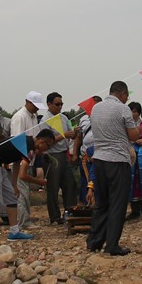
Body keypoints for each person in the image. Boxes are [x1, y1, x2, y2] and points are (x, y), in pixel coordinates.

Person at [0, 129, 55, 247]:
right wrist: (39, 182)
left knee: (12, 198)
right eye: (48, 145)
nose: (47, 149)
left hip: (0, 166)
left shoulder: (26, 143)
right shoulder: (28, 147)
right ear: (41, 141)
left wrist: (14, 185)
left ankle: (14, 231)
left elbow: (16, 164)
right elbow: (23, 175)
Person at [86, 81, 140, 256]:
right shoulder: (122, 109)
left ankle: (94, 242)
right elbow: (132, 135)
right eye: (126, 96)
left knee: (101, 203)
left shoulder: (96, 108)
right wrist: (137, 129)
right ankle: (112, 245)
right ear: (122, 93)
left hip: (99, 159)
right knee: (118, 204)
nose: (126, 99)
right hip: (117, 160)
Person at [10, 91, 47, 229]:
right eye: (35, 105)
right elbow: (17, 140)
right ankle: (22, 222)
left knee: (25, 191)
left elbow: (35, 137)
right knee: (21, 191)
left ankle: (25, 219)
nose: (37, 108)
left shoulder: (33, 116)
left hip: (29, 157)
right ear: (28, 102)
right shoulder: (20, 117)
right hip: (20, 159)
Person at [42, 92, 78, 225]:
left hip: (64, 154)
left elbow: (71, 134)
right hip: (51, 156)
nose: (60, 107)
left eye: (61, 104)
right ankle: (55, 217)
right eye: (57, 104)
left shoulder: (63, 118)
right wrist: (62, 135)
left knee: (70, 184)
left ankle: (70, 211)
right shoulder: (44, 120)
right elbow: (45, 141)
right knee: (53, 187)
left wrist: (75, 133)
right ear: (49, 104)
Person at [74, 96, 102, 206]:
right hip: (85, 157)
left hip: (99, 155)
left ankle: (96, 207)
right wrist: (75, 154)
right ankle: (85, 208)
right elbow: (79, 137)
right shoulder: (84, 119)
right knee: (85, 182)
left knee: (96, 182)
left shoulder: (104, 118)